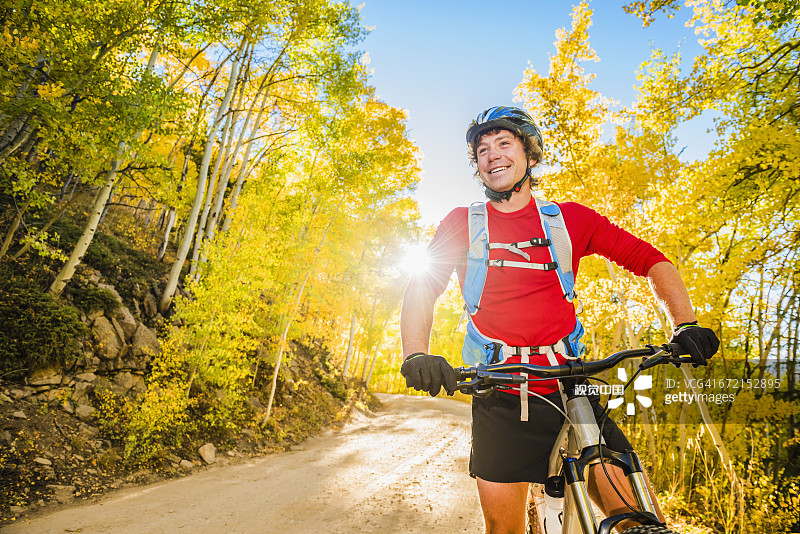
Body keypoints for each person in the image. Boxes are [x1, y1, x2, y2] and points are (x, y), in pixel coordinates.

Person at [399, 106, 719, 534]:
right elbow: (423, 286)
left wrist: (684, 323)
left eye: (504, 143)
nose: (492, 154)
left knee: (638, 519)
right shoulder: (463, 223)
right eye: (482, 149)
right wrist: (416, 353)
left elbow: (650, 260)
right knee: (503, 528)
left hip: (572, 386)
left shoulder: (570, 220)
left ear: (530, 155)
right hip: (498, 388)